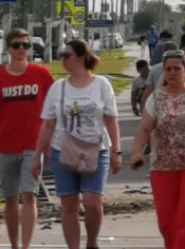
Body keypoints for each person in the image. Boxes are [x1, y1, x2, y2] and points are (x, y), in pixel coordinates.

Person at [30, 39, 122, 249]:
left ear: (81, 57)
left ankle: (91, 242)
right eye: (61, 55)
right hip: (63, 151)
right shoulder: (58, 87)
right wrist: (36, 157)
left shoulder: (101, 84)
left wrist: (116, 151)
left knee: (92, 203)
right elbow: (48, 125)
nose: (62, 59)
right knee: (68, 205)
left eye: (67, 55)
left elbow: (110, 119)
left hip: (95, 151)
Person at [0, 28, 55, 249]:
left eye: (26, 45)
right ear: (8, 49)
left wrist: (51, 139)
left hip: (33, 145)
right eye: (17, 45)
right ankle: (14, 244)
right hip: (6, 146)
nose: (22, 50)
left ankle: (25, 247)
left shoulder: (42, 74)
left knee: (29, 195)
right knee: (10, 198)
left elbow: (54, 107)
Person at [131, 50, 185, 249]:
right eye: (168, 69)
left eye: (176, 68)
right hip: (163, 168)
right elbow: (144, 128)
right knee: (168, 226)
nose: (172, 73)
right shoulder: (156, 99)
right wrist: (137, 151)